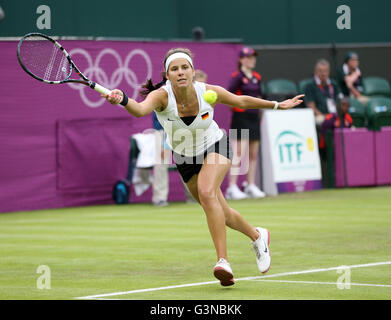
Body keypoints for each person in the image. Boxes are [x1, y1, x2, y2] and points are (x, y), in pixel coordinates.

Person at [103, 48, 304, 286]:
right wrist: (122, 99)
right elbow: (139, 110)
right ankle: (258, 236)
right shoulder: (161, 96)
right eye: (174, 69)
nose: (180, 73)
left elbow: (240, 100)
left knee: (208, 193)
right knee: (221, 210)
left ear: (192, 71)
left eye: (184, 67)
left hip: (215, 145)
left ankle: (223, 261)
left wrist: (276, 105)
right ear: (167, 75)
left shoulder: (207, 91)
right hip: (185, 157)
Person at [225, 47, 266, 200]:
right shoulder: (237, 77)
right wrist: (238, 109)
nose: (252, 60)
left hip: (254, 118)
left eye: (253, 57)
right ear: (241, 60)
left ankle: (250, 185)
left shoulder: (257, 76)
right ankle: (232, 187)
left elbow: (259, 97)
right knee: (238, 154)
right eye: (248, 57)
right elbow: (229, 97)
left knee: (253, 154)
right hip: (240, 118)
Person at [304, 59, 343, 128]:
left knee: (346, 121)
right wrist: (326, 116)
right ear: (315, 72)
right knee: (322, 120)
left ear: (329, 72)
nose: (323, 73)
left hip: (334, 114)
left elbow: (340, 101)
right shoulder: (310, 86)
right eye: (320, 71)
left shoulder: (334, 84)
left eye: (325, 71)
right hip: (319, 116)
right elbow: (311, 107)